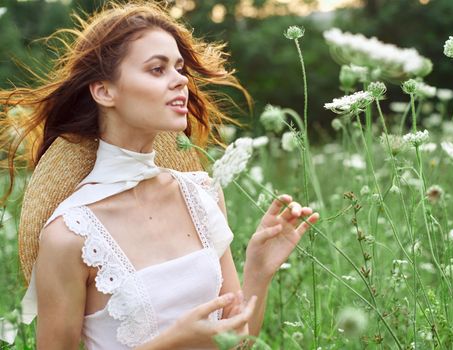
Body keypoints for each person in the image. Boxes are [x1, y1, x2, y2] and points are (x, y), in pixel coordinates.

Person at [0, 1, 319, 349]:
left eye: (179, 68)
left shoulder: (202, 194)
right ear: (105, 91)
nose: (180, 80)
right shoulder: (70, 235)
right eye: (157, 69)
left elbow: (238, 343)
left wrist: (258, 272)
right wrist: (171, 342)